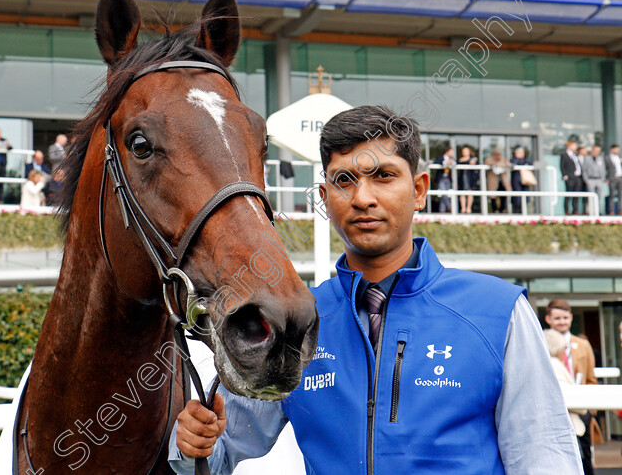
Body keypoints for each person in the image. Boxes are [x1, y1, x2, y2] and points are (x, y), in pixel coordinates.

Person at [170, 105, 581, 474]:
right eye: (344, 180)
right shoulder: (293, 318)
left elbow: (545, 456)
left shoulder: (497, 312)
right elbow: (218, 455)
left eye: (383, 176)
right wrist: (191, 445)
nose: (363, 197)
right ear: (324, 197)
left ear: (419, 190)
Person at [546, 298, 600, 466]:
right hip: (553, 412)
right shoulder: (540, 341)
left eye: (565, 318)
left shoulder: (583, 344)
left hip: (581, 413)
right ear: (548, 319)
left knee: (584, 460)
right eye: (557, 318)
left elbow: (591, 379)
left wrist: (590, 412)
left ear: (571, 318)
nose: (561, 322)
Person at [544, 328, 592, 474]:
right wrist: (585, 408)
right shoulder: (555, 365)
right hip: (571, 426)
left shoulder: (546, 364)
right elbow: (566, 397)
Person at [485, 149, 511, 213]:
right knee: (493, 196)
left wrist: (506, 164)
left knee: (503, 196)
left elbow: (508, 164)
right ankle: (495, 209)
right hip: (493, 181)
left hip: (502, 181)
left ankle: (503, 208)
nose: (498, 156)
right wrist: (495, 164)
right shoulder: (489, 159)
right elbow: (487, 163)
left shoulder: (503, 159)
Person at [561, 141, 584, 215]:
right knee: (569, 194)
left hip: (577, 177)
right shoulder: (564, 155)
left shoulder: (575, 155)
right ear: (569, 146)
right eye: (574, 145)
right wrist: (565, 175)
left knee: (576, 194)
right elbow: (562, 166)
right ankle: (567, 210)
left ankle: (575, 210)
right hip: (570, 177)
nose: (575, 147)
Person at [583, 145, 606, 215]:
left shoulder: (600, 159)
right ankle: (590, 211)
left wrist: (603, 178)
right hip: (590, 179)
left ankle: (597, 211)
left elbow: (603, 169)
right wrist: (586, 179)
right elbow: (584, 169)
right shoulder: (587, 158)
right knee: (591, 195)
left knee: (598, 196)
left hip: (599, 179)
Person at [510, 147, 533, 214]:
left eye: (522, 153)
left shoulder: (526, 160)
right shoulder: (514, 160)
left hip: (525, 182)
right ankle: (517, 212)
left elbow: (530, 164)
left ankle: (524, 212)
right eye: (520, 153)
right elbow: (513, 164)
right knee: (517, 197)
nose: (521, 154)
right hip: (517, 181)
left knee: (526, 197)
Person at [457, 146, 479, 214]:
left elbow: (477, 166)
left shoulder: (473, 159)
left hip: (471, 179)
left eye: (465, 151)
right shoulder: (460, 160)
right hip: (462, 179)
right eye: (463, 151)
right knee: (462, 193)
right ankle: (463, 208)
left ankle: (469, 208)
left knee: (470, 193)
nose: (464, 152)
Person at [433, 147, 455, 213]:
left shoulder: (452, 159)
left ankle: (442, 210)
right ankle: (449, 207)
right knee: (443, 193)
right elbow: (437, 162)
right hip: (441, 178)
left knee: (445, 193)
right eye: (451, 152)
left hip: (448, 179)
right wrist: (447, 163)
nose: (452, 153)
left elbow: (455, 164)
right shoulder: (441, 158)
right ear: (447, 152)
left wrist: (452, 162)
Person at [606, 144, 622, 216]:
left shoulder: (620, 156)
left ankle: (620, 210)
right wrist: (607, 178)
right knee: (612, 195)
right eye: (616, 149)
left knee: (620, 195)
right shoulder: (607, 158)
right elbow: (605, 168)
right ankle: (611, 211)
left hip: (620, 178)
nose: (617, 151)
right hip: (612, 178)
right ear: (611, 149)